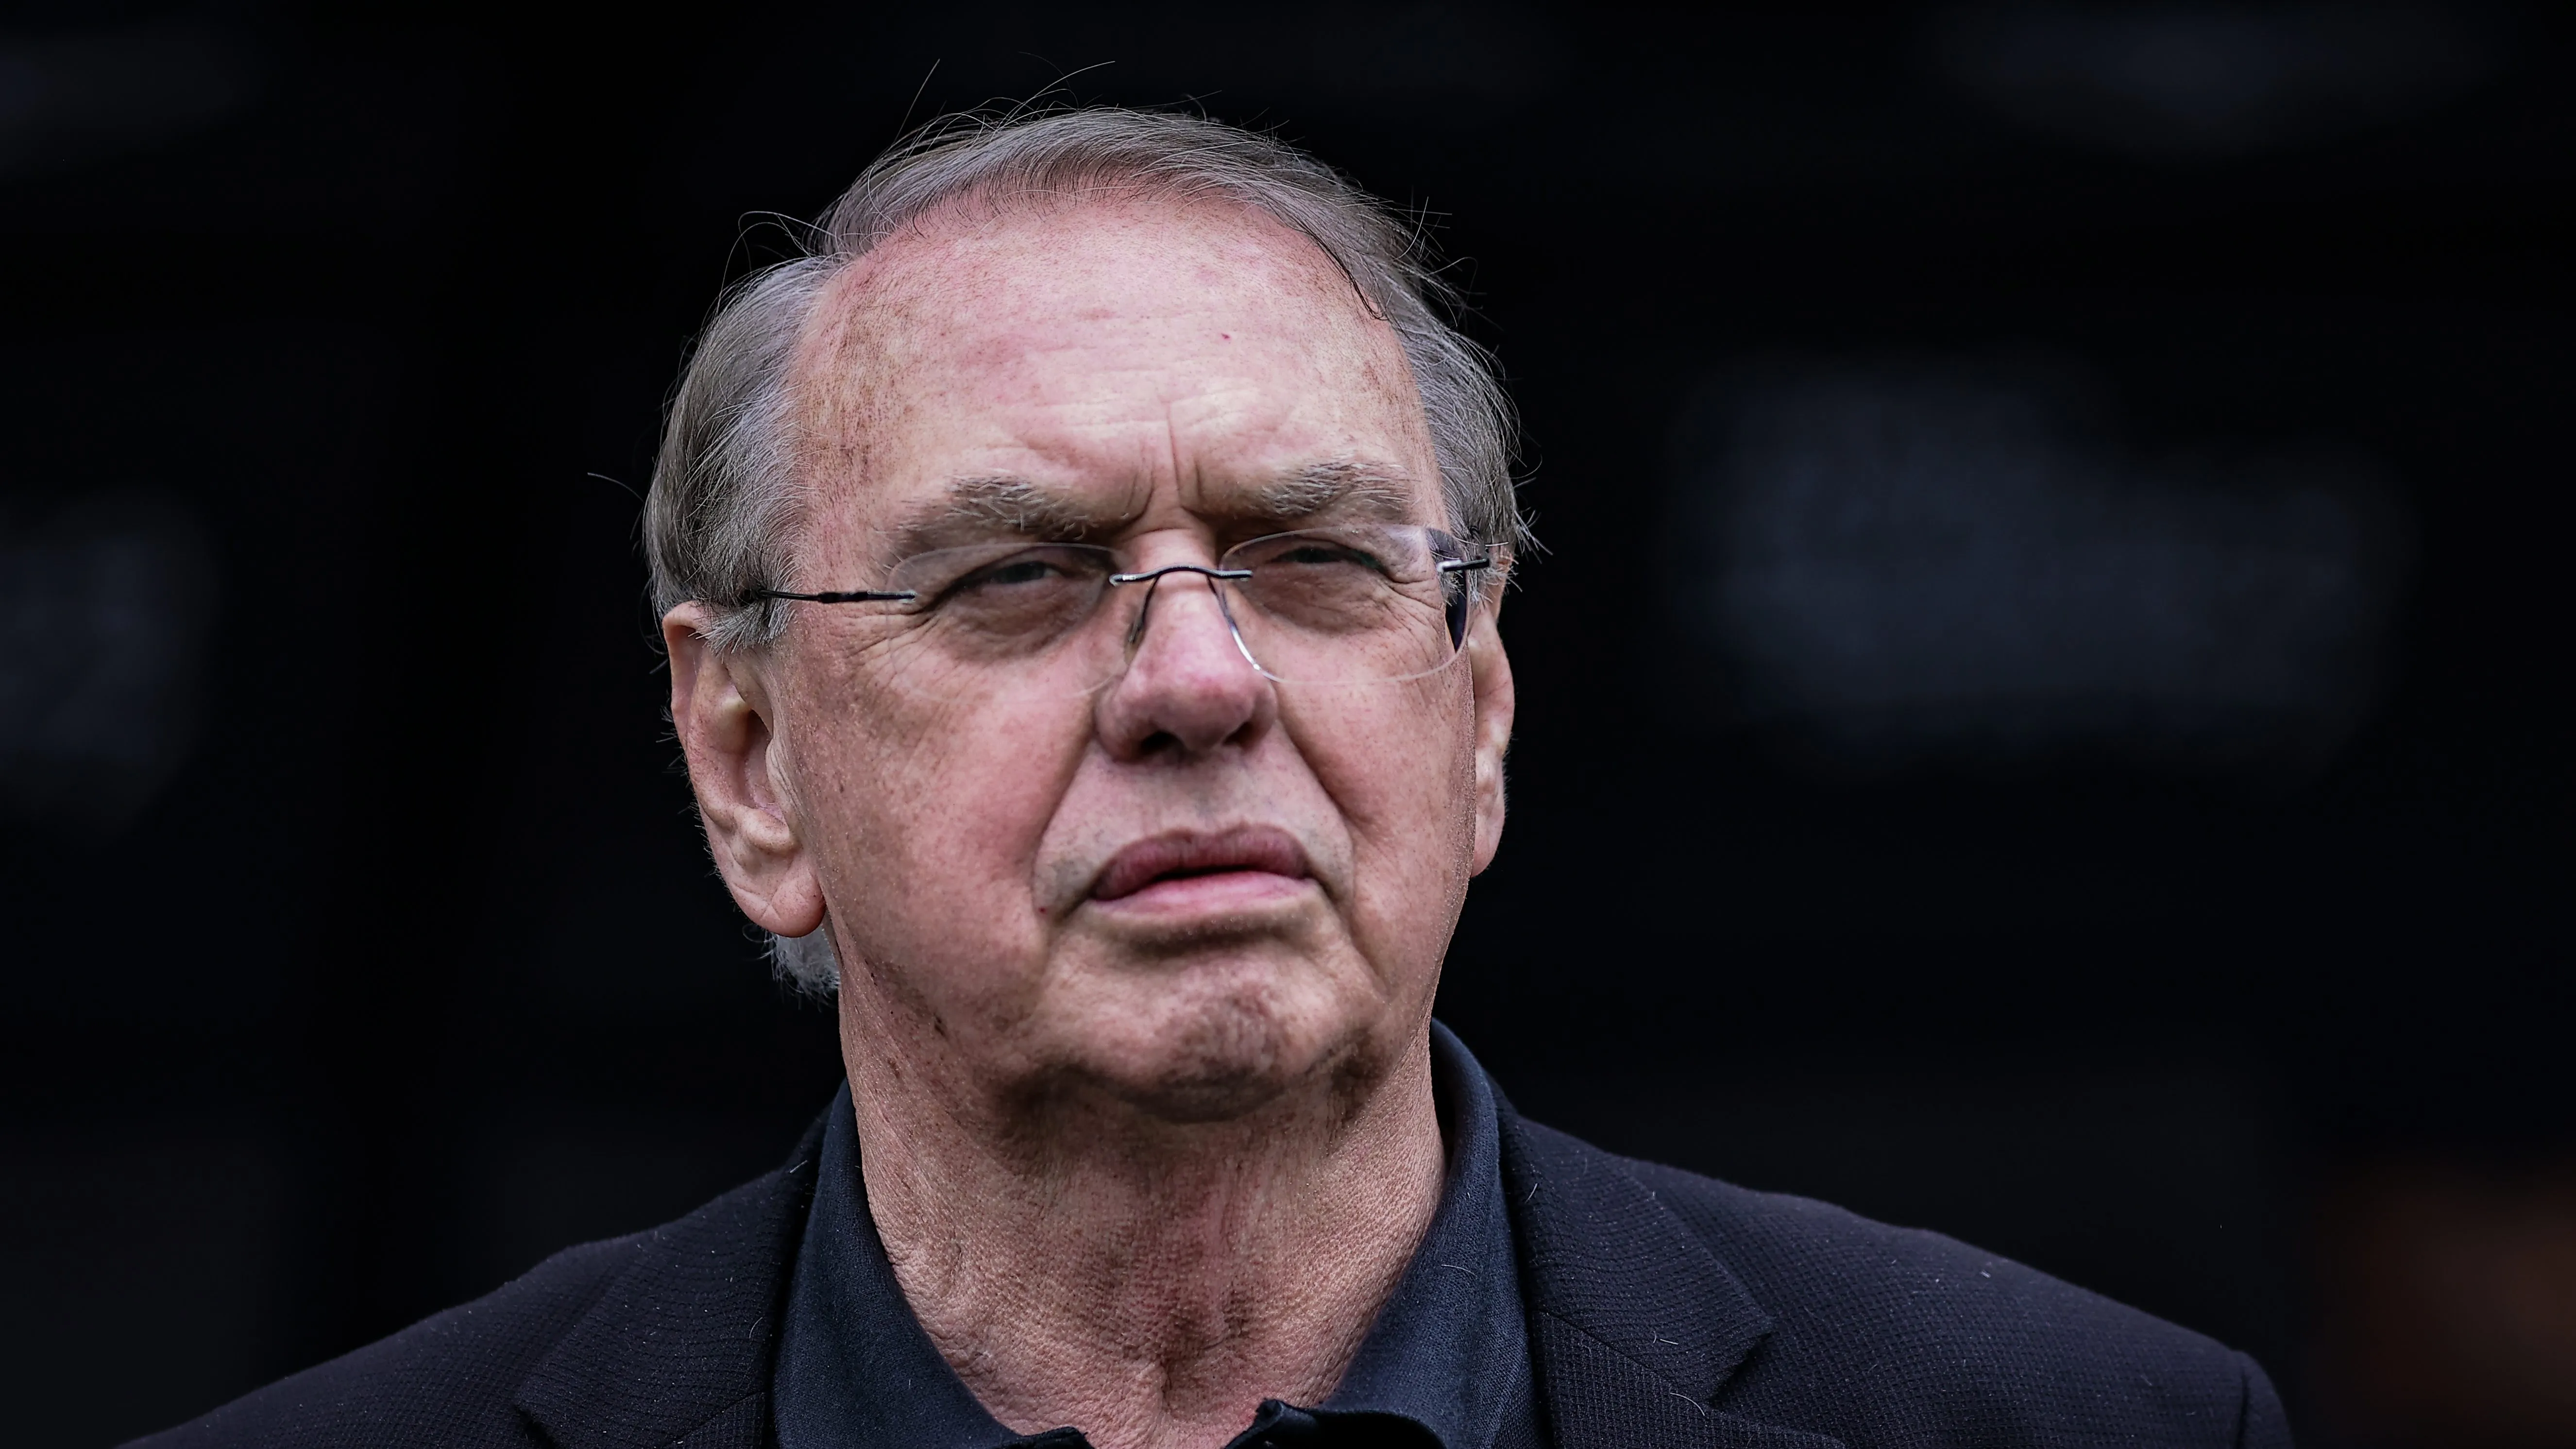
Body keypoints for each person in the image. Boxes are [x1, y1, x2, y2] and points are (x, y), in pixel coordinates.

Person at [137, 108, 2291, 1449]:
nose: (1195, 679)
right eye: (1015, 575)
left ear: (1483, 709)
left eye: (1321, 560)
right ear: (746, 759)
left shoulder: (2072, 1423)